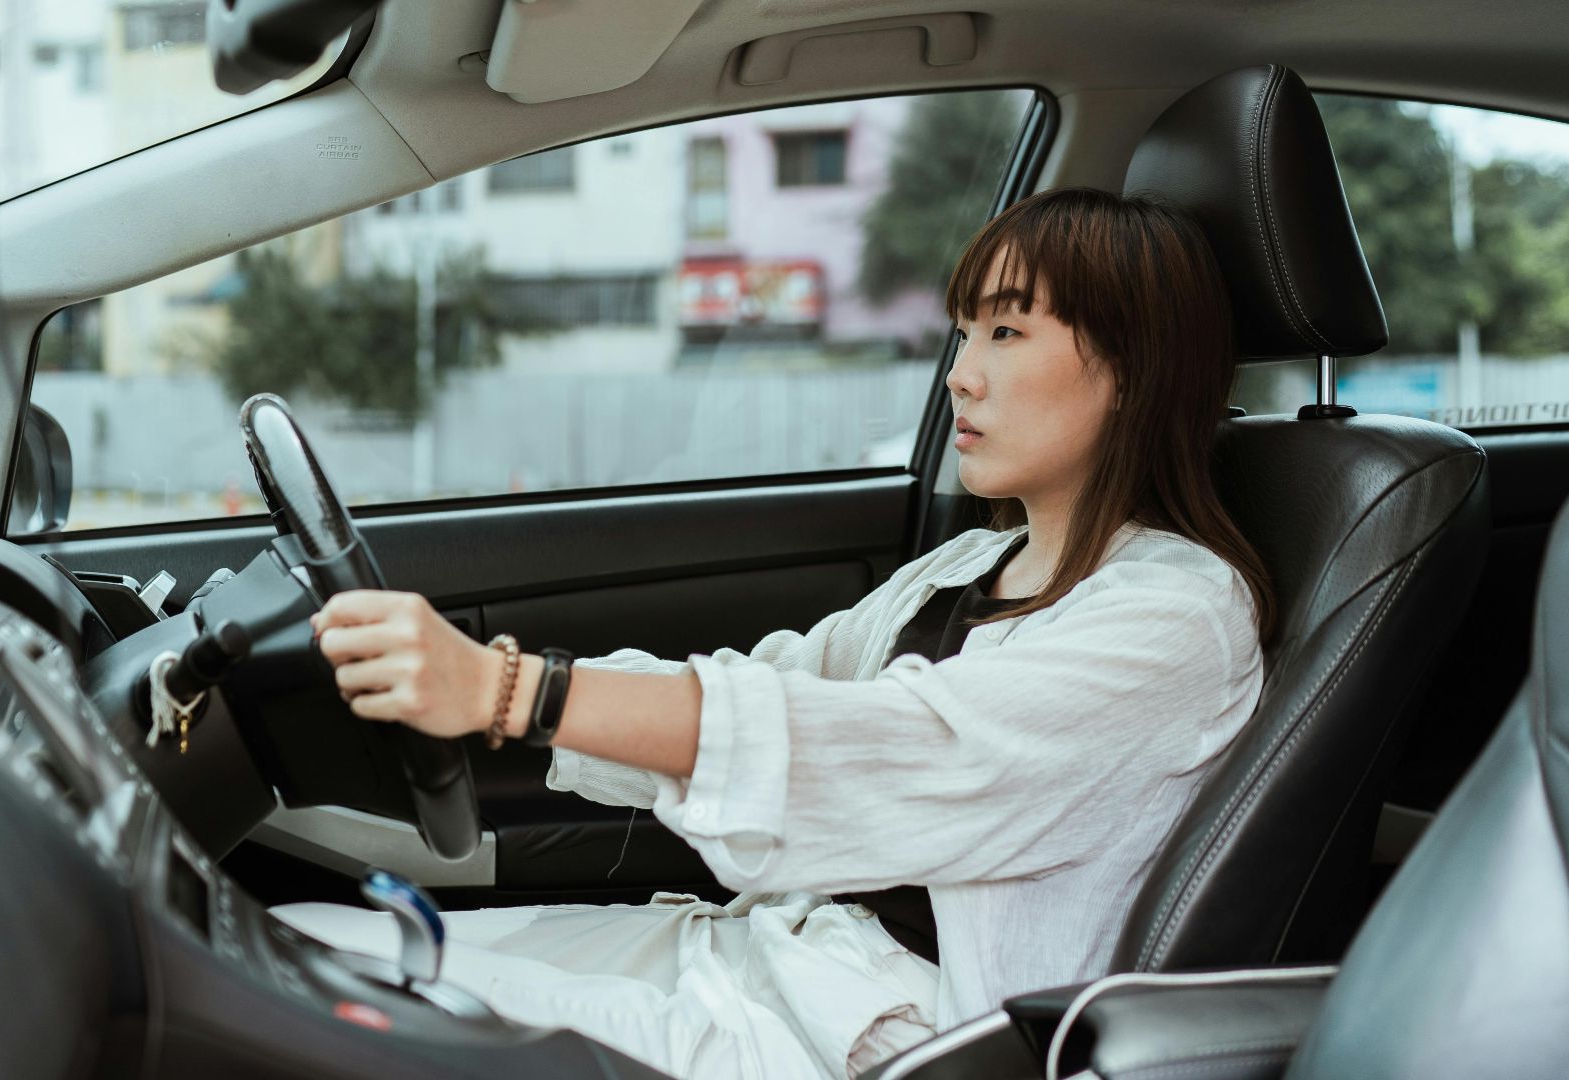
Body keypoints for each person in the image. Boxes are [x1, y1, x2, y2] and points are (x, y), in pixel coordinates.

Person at [272, 188, 1275, 1080]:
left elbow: (876, 748)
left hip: (875, 1035)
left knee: (299, 1006)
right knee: (291, 944)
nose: (959, 376)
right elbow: (779, 681)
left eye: (1005, 333)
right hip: (771, 956)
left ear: (1131, 369)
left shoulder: (1176, 620)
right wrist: (506, 706)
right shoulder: (970, 565)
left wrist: (510, 692)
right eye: (963, 333)